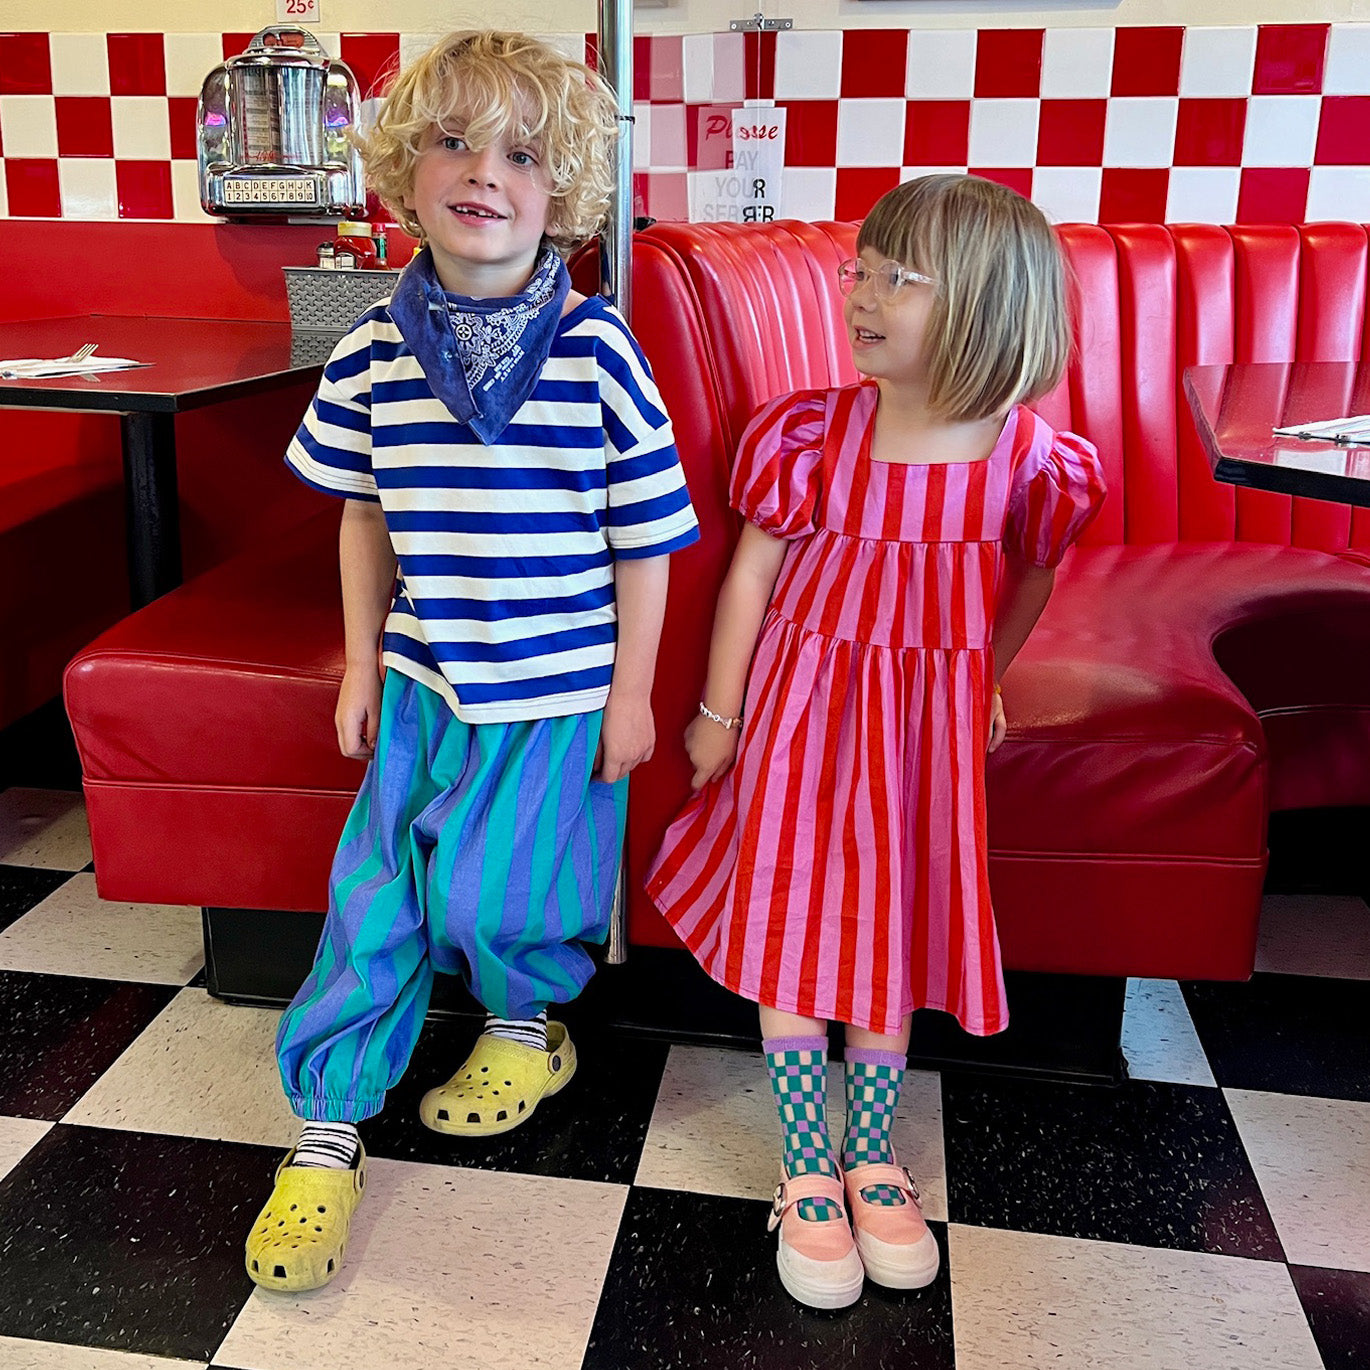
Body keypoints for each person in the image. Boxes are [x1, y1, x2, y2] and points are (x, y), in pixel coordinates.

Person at [245, 30, 699, 1293]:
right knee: (375, 901)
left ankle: (523, 1022)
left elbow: (648, 539)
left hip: (557, 699)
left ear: (562, 192)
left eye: (519, 152)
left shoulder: (599, 350)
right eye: (451, 140)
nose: (481, 171)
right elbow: (361, 512)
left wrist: (633, 695)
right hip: (420, 686)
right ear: (404, 170)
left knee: (499, 899)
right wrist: (354, 666)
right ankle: (327, 1125)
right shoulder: (373, 352)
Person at [646, 174, 1106, 1310]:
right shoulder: (813, 432)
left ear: (992, 310)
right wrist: (717, 713)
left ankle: (871, 1155)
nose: (861, 291)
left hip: (920, 741)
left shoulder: (1026, 457)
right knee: (799, 922)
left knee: (887, 928)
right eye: (861, 267)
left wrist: (982, 676)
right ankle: (806, 1164)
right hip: (801, 713)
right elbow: (753, 570)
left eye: (901, 277)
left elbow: (1034, 570)